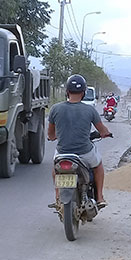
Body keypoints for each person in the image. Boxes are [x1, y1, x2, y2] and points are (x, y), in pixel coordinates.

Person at [47, 74, 112, 208]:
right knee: (98, 166)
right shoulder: (90, 110)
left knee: (55, 168)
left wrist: (53, 137)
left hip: (62, 152)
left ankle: (58, 196)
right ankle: (99, 197)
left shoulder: (55, 109)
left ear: (67, 91)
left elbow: (51, 134)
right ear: (83, 92)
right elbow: (102, 130)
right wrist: (106, 134)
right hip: (84, 152)